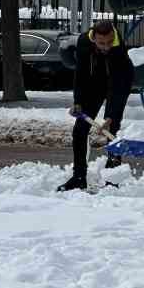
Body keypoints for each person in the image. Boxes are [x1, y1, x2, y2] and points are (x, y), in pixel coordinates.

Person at [58, 18, 134, 193]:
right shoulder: (84, 42)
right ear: (94, 38)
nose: (106, 46)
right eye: (101, 43)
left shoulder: (118, 49)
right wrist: (78, 101)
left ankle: (112, 179)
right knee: (79, 130)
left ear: (113, 36)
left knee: (113, 129)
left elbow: (118, 86)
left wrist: (110, 116)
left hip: (119, 82)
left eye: (108, 42)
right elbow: (81, 73)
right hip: (94, 83)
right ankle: (78, 177)